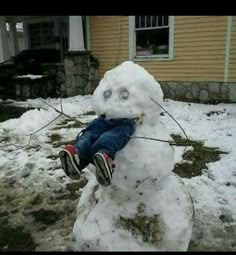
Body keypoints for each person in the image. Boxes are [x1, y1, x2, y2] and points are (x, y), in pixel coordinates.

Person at [59, 114, 136, 187]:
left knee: (100, 136)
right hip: (113, 118)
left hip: (116, 119)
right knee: (94, 135)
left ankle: (86, 155)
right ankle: (81, 156)